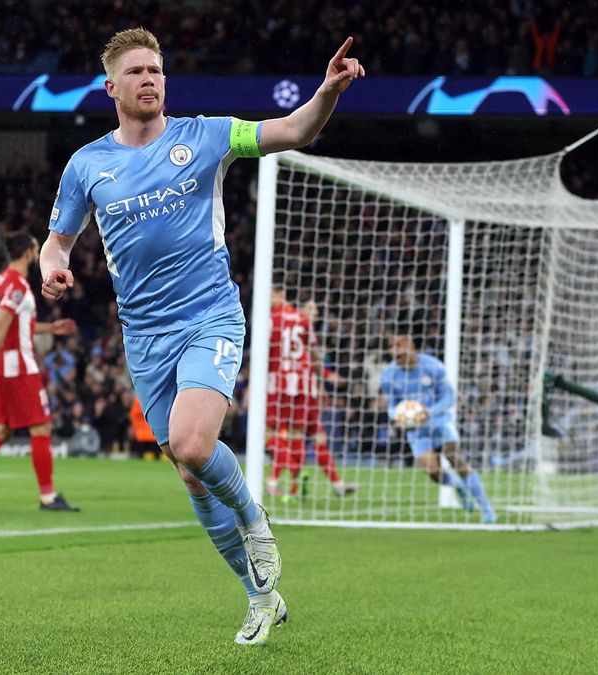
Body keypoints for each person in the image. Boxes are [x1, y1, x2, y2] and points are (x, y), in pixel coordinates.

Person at [40, 27, 363, 645]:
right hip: (143, 336)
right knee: (189, 475)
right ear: (111, 87)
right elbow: (57, 240)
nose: (150, 79)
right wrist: (52, 266)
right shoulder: (87, 164)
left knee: (192, 446)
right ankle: (260, 595)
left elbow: (291, 131)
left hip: (208, 316)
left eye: (157, 70)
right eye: (136, 72)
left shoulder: (206, 135)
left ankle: (252, 515)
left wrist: (327, 91)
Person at [0, 231, 80, 511]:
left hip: (4, 368)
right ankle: (48, 496)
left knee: (0, 431)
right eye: (35, 249)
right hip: (18, 368)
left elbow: (13, 325)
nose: (36, 253)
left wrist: (50, 329)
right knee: (41, 427)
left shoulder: (1, 281)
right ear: (28, 253)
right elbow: (0, 327)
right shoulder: (19, 285)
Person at [380, 332, 496, 523]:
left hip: (440, 422)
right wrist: (399, 417)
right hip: (415, 429)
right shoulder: (388, 374)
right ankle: (459, 486)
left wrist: (429, 412)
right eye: (392, 347)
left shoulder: (433, 366)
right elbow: (392, 406)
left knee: (455, 458)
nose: (394, 352)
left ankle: (486, 510)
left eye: (398, 346)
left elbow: (449, 398)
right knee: (433, 472)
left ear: (410, 345)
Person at [266, 287, 356, 498]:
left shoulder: (272, 319)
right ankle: (296, 484)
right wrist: (325, 377)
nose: (314, 312)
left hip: (281, 385)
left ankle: (291, 478)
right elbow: (313, 359)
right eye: (311, 308)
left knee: (279, 434)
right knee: (306, 435)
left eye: (316, 309)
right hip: (306, 388)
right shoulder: (302, 323)